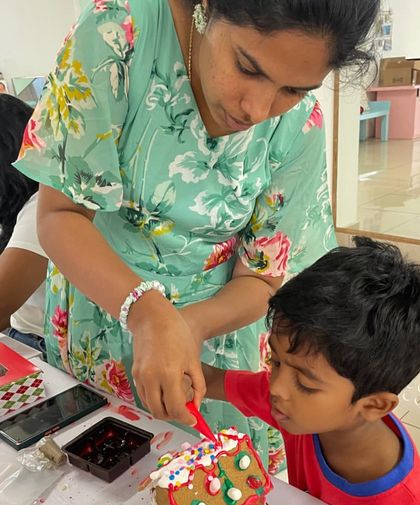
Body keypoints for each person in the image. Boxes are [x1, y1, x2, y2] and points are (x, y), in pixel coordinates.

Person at [14, 0, 379, 466]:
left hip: (215, 341)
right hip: (102, 311)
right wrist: (146, 313)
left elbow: (262, 278)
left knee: (205, 499)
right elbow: (58, 215)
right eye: (247, 68)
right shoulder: (119, 33)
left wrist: (188, 325)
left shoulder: (298, 125)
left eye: (293, 89)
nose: (258, 109)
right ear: (206, 7)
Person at [190, 237, 420, 505]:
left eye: (306, 384)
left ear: (374, 405)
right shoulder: (299, 408)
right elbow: (213, 380)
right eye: (275, 362)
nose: (276, 388)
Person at [0, 94, 47, 356]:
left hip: (35, 343)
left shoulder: (40, 206)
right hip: (22, 335)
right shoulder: (16, 204)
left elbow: (3, 301)